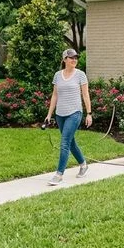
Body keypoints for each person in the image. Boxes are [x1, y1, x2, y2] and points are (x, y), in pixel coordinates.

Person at [45, 48, 93, 185]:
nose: (74, 60)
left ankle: (59, 174)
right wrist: (49, 114)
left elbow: (85, 95)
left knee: (65, 142)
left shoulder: (80, 75)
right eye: (71, 57)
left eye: (76, 58)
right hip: (60, 114)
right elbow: (55, 95)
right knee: (70, 142)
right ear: (64, 59)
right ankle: (83, 164)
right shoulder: (57, 75)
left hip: (75, 113)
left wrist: (89, 113)